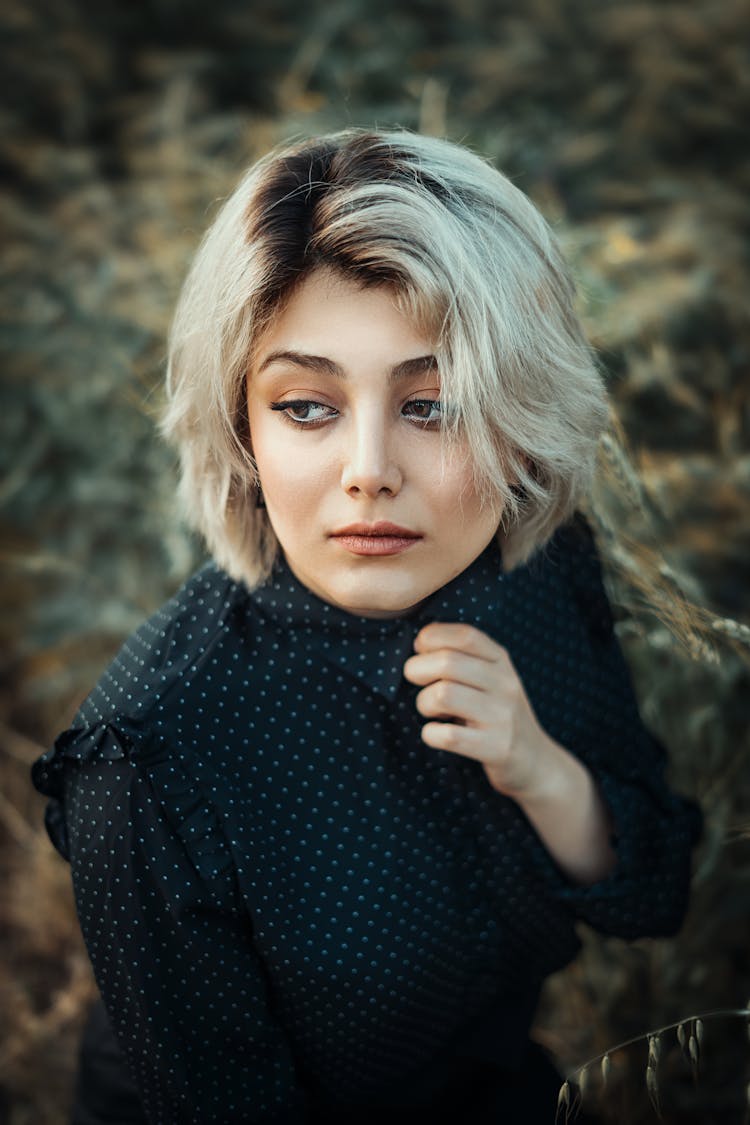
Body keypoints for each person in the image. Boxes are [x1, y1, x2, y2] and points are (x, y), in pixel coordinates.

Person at [32, 128, 701, 1125]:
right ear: (242, 431)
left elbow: (655, 894)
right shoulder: (149, 765)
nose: (368, 469)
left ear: (521, 414)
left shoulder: (538, 567)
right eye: (307, 407)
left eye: (433, 406)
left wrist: (543, 771)